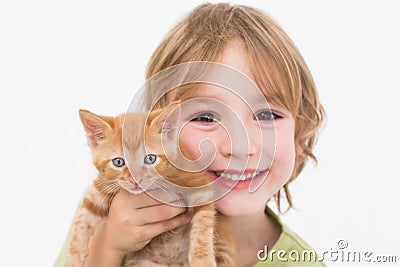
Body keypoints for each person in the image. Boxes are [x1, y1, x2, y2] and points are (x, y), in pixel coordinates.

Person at [55, 3, 326, 267]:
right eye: (205, 117)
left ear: (300, 135)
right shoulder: (112, 208)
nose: (241, 148)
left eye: (267, 115)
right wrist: (107, 247)